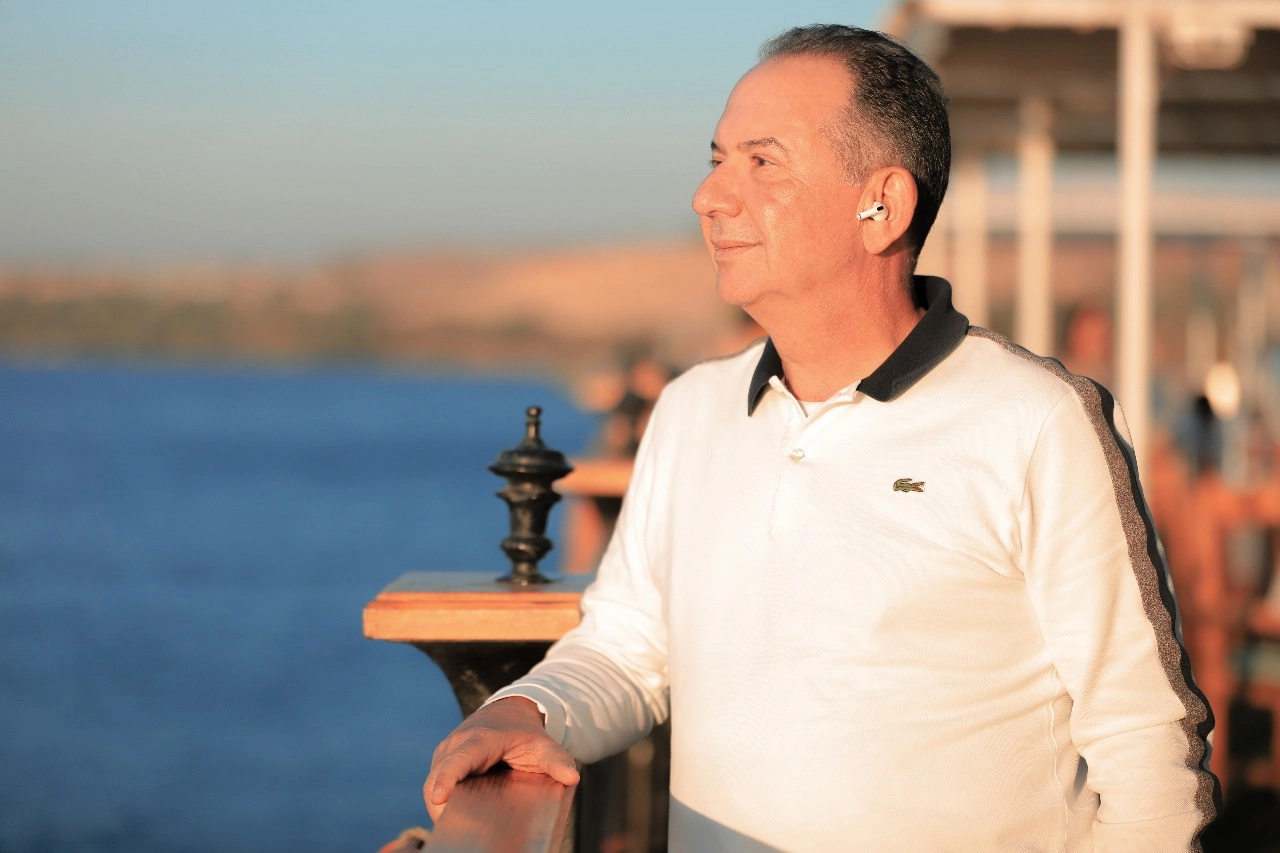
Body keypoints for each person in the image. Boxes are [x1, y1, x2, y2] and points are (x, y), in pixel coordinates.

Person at [424, 25, 1218, 850]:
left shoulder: (1038, 419)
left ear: (883, 206)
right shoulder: (692, 411)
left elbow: (1150, 750)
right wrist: (522, 710)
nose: (709, 195)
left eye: (761, 162)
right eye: (717, 158)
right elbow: (625, 649)